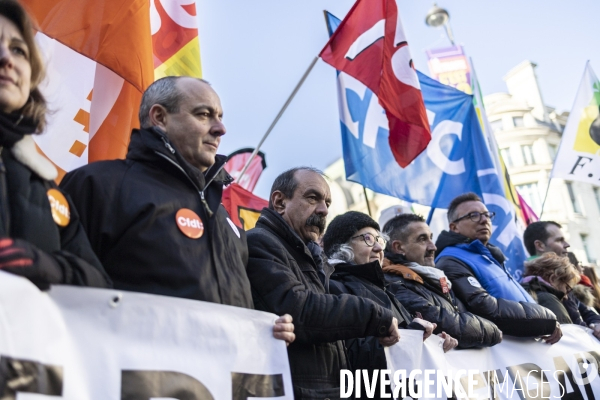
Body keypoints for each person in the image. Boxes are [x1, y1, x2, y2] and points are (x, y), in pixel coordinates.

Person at [60, 76, 294, 344]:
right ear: (160, 117)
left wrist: (267, 330)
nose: (221, 129)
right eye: (204, 114)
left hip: (226, 382)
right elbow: (63, 295)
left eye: (220, 116)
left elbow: (231, 308)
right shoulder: (98, 185)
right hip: (135, 380)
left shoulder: (223, 217)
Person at [245, 167, 401, 399]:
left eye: (327, 202)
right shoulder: (260, 242)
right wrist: (374, 315)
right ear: (279, 202)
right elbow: (299, 309)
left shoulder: (314, 261)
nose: (323, 209)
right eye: (312, 198)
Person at [0, 0, 109, 289]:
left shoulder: (48, 188)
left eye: (18, 50)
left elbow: (100, 285)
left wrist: (50, 267)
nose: (6, 59)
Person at [322, 211, 453, 400]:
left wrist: (432, 341)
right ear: (342, 247)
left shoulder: (383, 288)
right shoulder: (334, 288)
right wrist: (408, 338)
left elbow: (406, 337)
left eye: (380, 240)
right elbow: (348, 356)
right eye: (367, 239)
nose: (377, 247)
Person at [435, 193, 561, 343]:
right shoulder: (451, 260)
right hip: (506, 355)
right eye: (474, 215)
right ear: (454, 227)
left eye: (486, 215)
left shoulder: (489, 256)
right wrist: (544, 319)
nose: (483, 220)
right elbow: (484, 307)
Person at [381, 213, 502, 348]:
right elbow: (451, 324)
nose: (433, 247)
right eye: (422, 239)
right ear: (398, 247)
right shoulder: (396, 284)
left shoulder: (435, 278)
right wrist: (495, 331)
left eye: (431, 238)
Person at [523, 221, 600, 335]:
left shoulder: (564, 284)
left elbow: (589, 314)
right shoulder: (534, 291)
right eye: (559, 240)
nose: (567, 244)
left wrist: (596, 324)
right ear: (539, 245)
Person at [521, 253, 581, 324]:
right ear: (553, 279)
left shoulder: (523, 292)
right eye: (567, 288)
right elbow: (566, 332)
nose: (566, 297)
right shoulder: (549, 300)